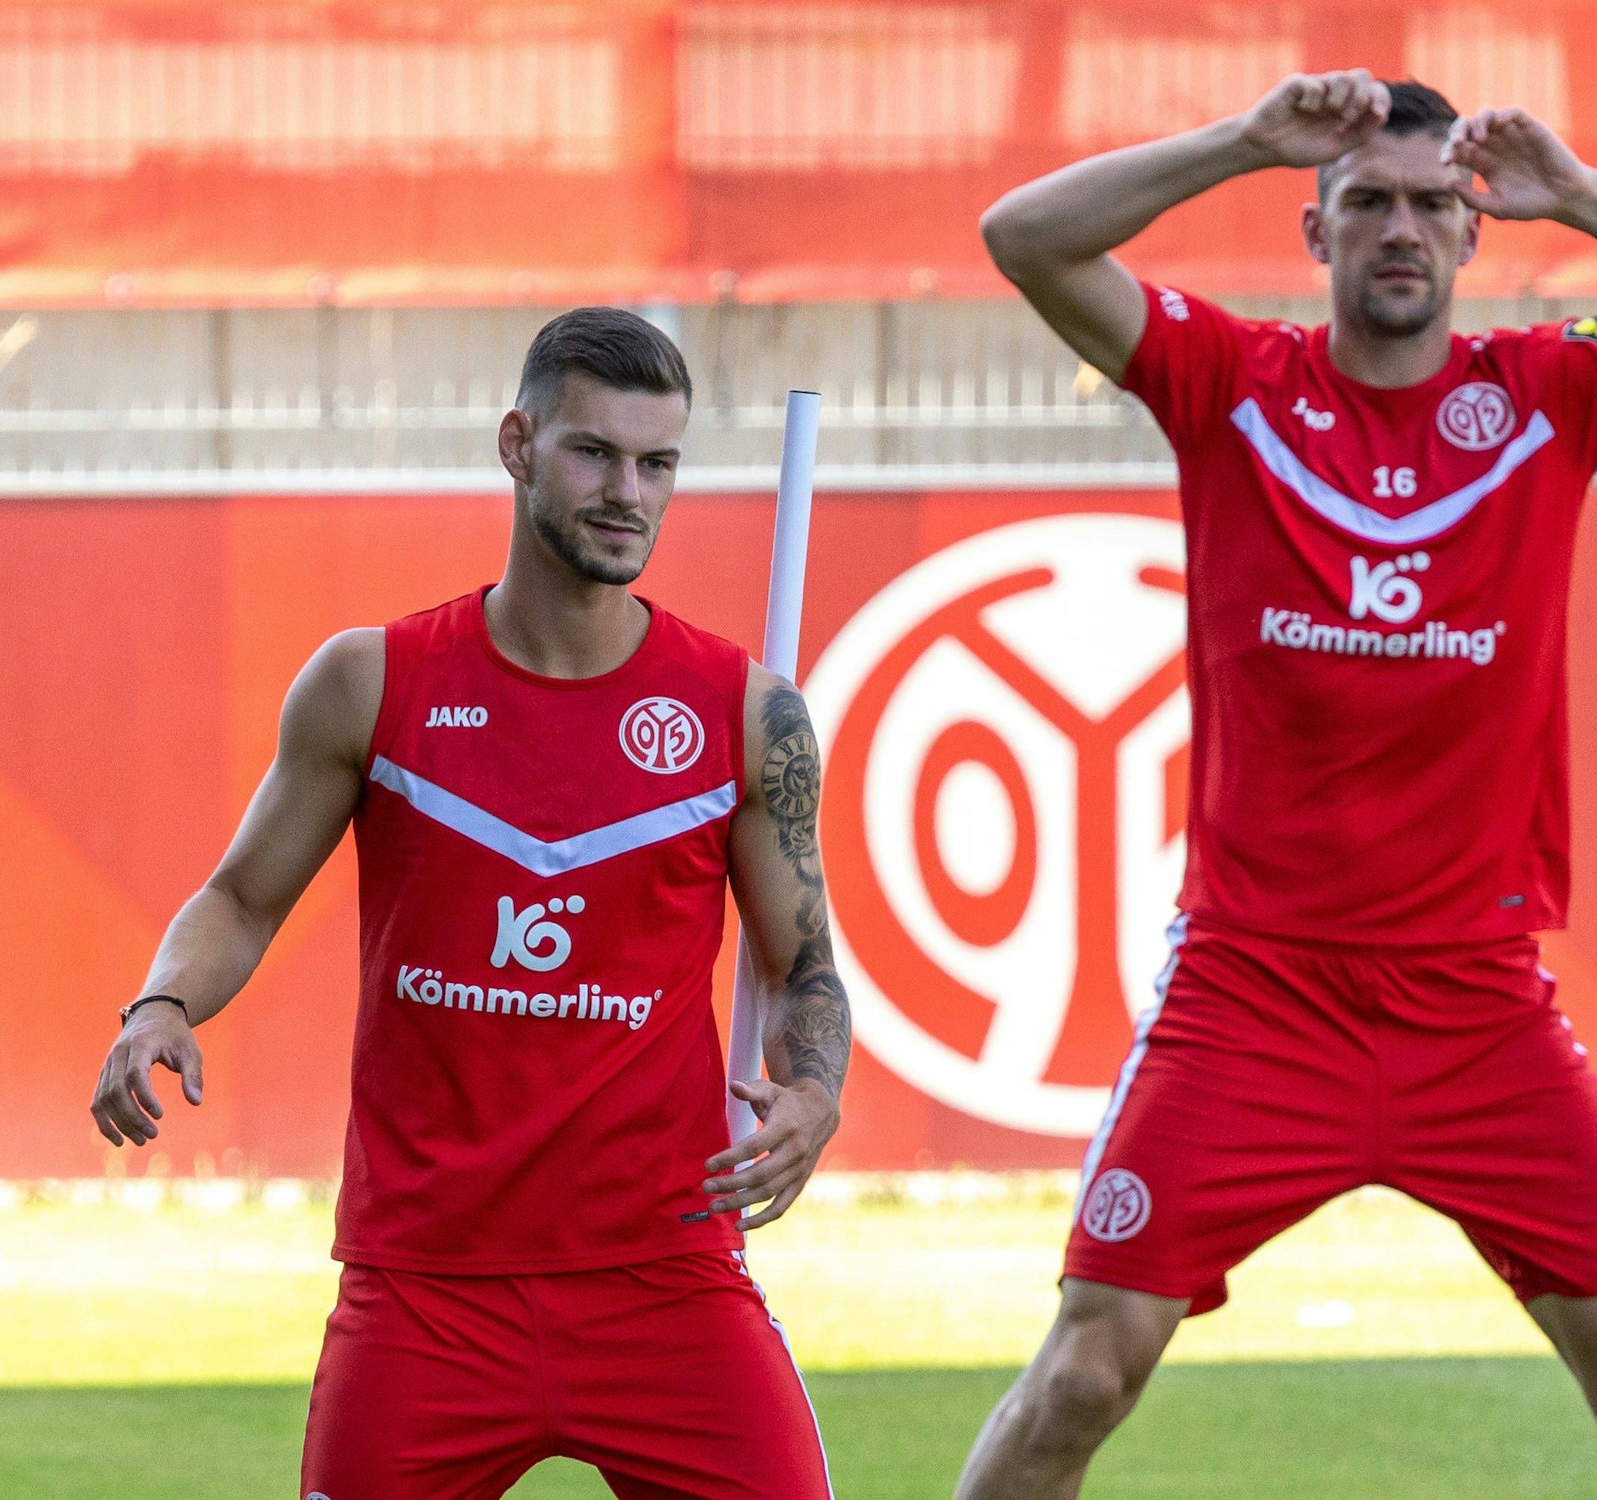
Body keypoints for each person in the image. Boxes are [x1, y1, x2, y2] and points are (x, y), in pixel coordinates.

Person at [959, 72, 1597, 1497]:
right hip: (1253, 996)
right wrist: (1242, 142)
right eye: (1365, 201)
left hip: (1477, 1004)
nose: (1400, 229)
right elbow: (1023, 236)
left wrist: (1579, 197)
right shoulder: (1233, 384)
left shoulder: (1550, 393)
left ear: (1474, 231)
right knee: (1082, 1373)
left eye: (1432, 203)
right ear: (1315, 231)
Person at [89, 306, 848, 1498]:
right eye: (593, 453)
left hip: (665, 1279)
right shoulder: (371, 683)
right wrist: (160, 1006)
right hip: (423, 1293)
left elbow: (801, 967)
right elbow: (238, 898)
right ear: (516, 444)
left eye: (657, 464)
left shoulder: (746, 714)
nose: (628, 494)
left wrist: (812, 1094)